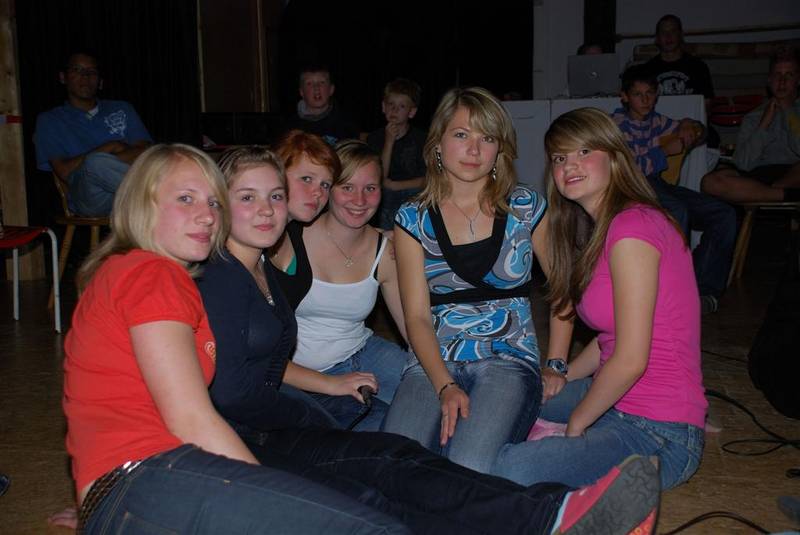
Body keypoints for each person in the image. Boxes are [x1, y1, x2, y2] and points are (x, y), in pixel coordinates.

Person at [196, 144, 662, 535]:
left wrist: (440, 374)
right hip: (272, 421)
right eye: (249, 197)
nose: (267, 209)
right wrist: (319, 407)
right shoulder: (249, 264)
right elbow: (235, 391)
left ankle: (551, 508)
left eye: (275, 196)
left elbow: (412, 321)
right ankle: (550, 513)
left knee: (401, 449)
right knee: (387, 465)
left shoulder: (261, 265)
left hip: (323, 381)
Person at [62, 143, 411, 533]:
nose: (207, 215)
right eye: (186, 199)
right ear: (143, 204)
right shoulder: (154, 275)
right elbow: (192, 418)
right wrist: (269, 491)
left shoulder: (149, 273)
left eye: (213, 203)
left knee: (369, 494)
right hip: (145, 478)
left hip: (140, 481)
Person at [492, 107, 707, 494]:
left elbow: (630, 359)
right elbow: (611, 337)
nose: (569, 165)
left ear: (614, 157)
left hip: (661, 432)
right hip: (616, 403)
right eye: (559, 158)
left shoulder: (634, 227)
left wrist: (577, 423)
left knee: (511, 467)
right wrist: (560, 378)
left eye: (584, 151)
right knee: (507, 396)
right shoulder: (604, 229)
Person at [382, 87, 570, 474]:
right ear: (438, 144)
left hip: (508, 358)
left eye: (487, 138)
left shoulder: (525, 206)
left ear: (500, 149)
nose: (473, 149)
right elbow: (416, 317)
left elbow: (563, 288)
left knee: (469, 464)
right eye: (461, 134)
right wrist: (445, 385)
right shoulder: (412, 217)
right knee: (396, 466)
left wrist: (556, 363)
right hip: (434, 360)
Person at [268, 140, 408, 430]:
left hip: (364, 351)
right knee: (389, 432)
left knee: (436, 404)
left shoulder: (385, 250)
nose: (360, 199)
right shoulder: (288, 237)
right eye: (347, 187)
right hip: (303, 374)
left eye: (370, 188)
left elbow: (412, 327)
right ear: (329, 191)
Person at [611, 65, 735, 314]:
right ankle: (674, 288)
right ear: (624, 96)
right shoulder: (616, 125)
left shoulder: (656, 120)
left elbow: (697, 132)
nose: (645, 100)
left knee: (724, 213)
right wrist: (664, 152)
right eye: (638, 94)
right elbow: (630, 169)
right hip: (630, 187)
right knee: (677, 210)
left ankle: (703, 290)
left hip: (657, 185)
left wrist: (690, 125)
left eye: (650, 93)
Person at [34, 51, 151, 216]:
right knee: (94, 163)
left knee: (167, 153)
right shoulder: (50, 120)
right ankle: (161, 197)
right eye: (77, 70)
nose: (85, 76)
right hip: (90, 196)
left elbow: (145, 152)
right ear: (63, 77)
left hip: (129, 188)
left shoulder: (122, 108)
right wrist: (111, 146)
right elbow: (65, 172)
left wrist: (104, 159)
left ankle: (154, 199)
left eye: (92, 72)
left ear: (100, 82)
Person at [701, 50, 800, 203]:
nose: (782, 81)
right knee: (710, 182)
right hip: (759, 177)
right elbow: (743, 163)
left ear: (798, 81)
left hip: (794, 173)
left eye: (789, 75)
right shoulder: (754, 116)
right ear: (769, 80)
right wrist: (764, 125)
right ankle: (781, 195)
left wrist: (788, 111)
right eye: (777, 75)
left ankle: (771, 192)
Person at [367, 78, 427, 230]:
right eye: (391, 105)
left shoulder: (421, 139)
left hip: (412, 192)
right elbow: (378, 176)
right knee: (382, 195)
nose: (394, 110)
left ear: (411, 112)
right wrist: (389, 142)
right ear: (383, 107)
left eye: (401, 106)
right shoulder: (375, 138)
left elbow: (429, 179)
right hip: (385, 195)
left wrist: (396, 186)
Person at [644, 14, 714, 103]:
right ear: (657, 38)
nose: (668, 36)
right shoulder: (647, 70)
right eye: (663, 32)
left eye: (673, 31)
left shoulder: (698, 67)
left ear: (681, 35)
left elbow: (706, 104)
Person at [284, 65, 360, 145]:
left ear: (331, 89)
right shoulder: (291, 128)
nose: (316, 88)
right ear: (301, 92)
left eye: (322, 82)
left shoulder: (347, 124)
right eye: (309, 83)